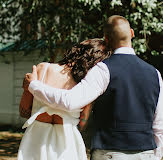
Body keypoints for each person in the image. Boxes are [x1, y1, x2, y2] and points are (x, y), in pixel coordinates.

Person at [25, 15, 163, 160]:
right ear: (132, 33)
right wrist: (156, 155)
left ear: (107, 39)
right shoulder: (155, 74)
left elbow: (70, 101)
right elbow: (159, 124)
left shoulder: (103, 70)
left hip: (110, 153)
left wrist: (34, 86)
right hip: (147, 154)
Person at [17, 38, 112, 160]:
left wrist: (27, 88)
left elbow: (23, 111)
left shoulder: (43, 68)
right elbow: (83, 123)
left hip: (36, 139)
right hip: (68, 141)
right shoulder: (85, 85)